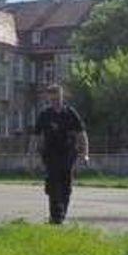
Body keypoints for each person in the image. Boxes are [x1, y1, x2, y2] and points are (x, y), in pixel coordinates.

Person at [28, 83, 89, 224]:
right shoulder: (45, 115)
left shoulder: (70, 113)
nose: (55, 102)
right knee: (53, 185)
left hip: (68, 154)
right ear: (48, 100)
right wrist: (31, 157)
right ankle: (56, 216)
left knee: (65, 186)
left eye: (57, 99)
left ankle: (61, 214)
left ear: (62, 97)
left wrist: (86, 154)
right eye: (52, 100)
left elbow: (82, 135)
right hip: (50, 155)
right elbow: (35, 137)